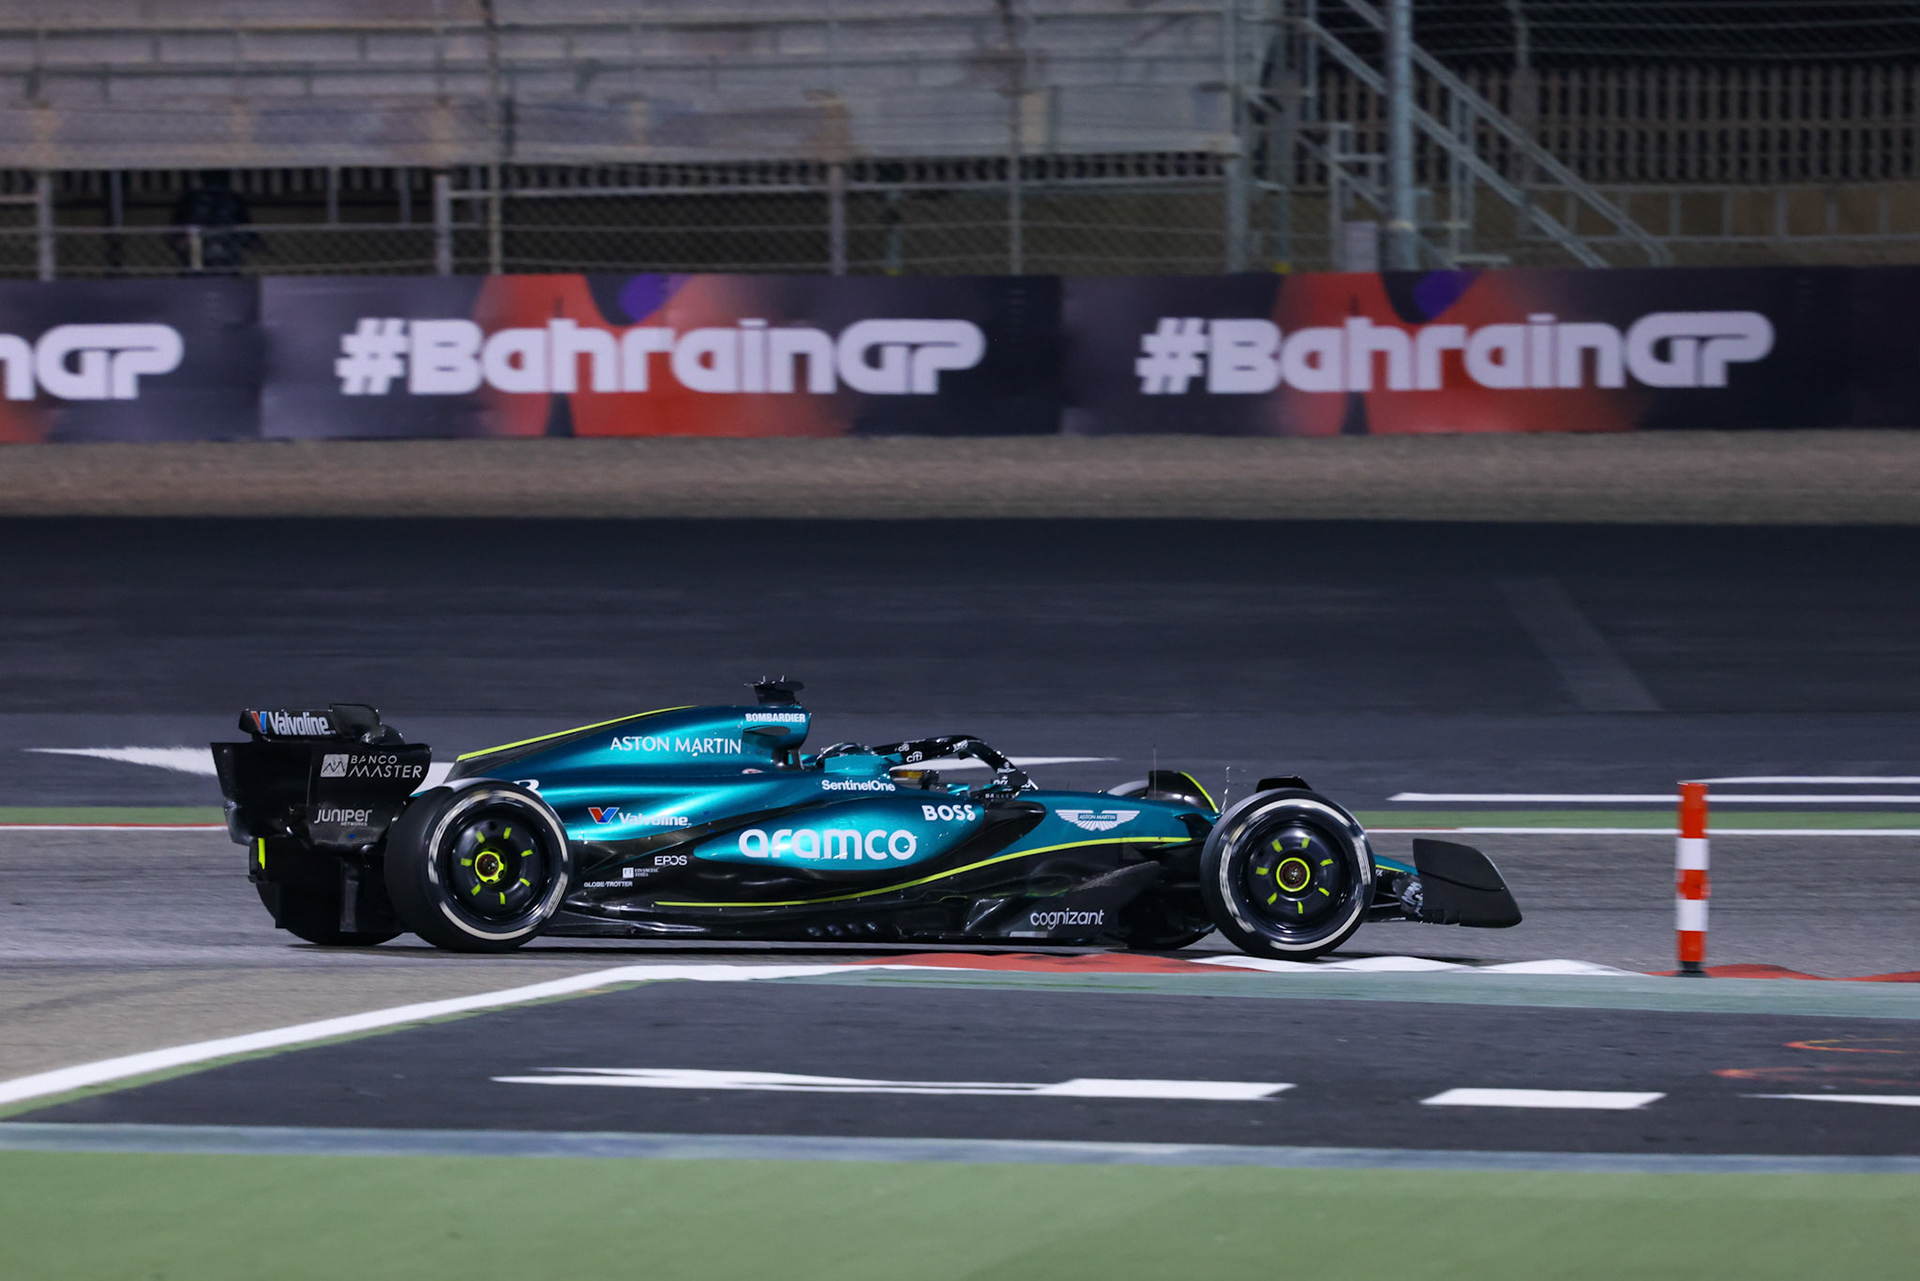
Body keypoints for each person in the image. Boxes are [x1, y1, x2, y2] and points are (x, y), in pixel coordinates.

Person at [170, 170, 257, 273]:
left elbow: (245, 226)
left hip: (214, 246)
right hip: (213, 245)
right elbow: (245, 226)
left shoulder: (190, 198)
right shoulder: (234, 199)